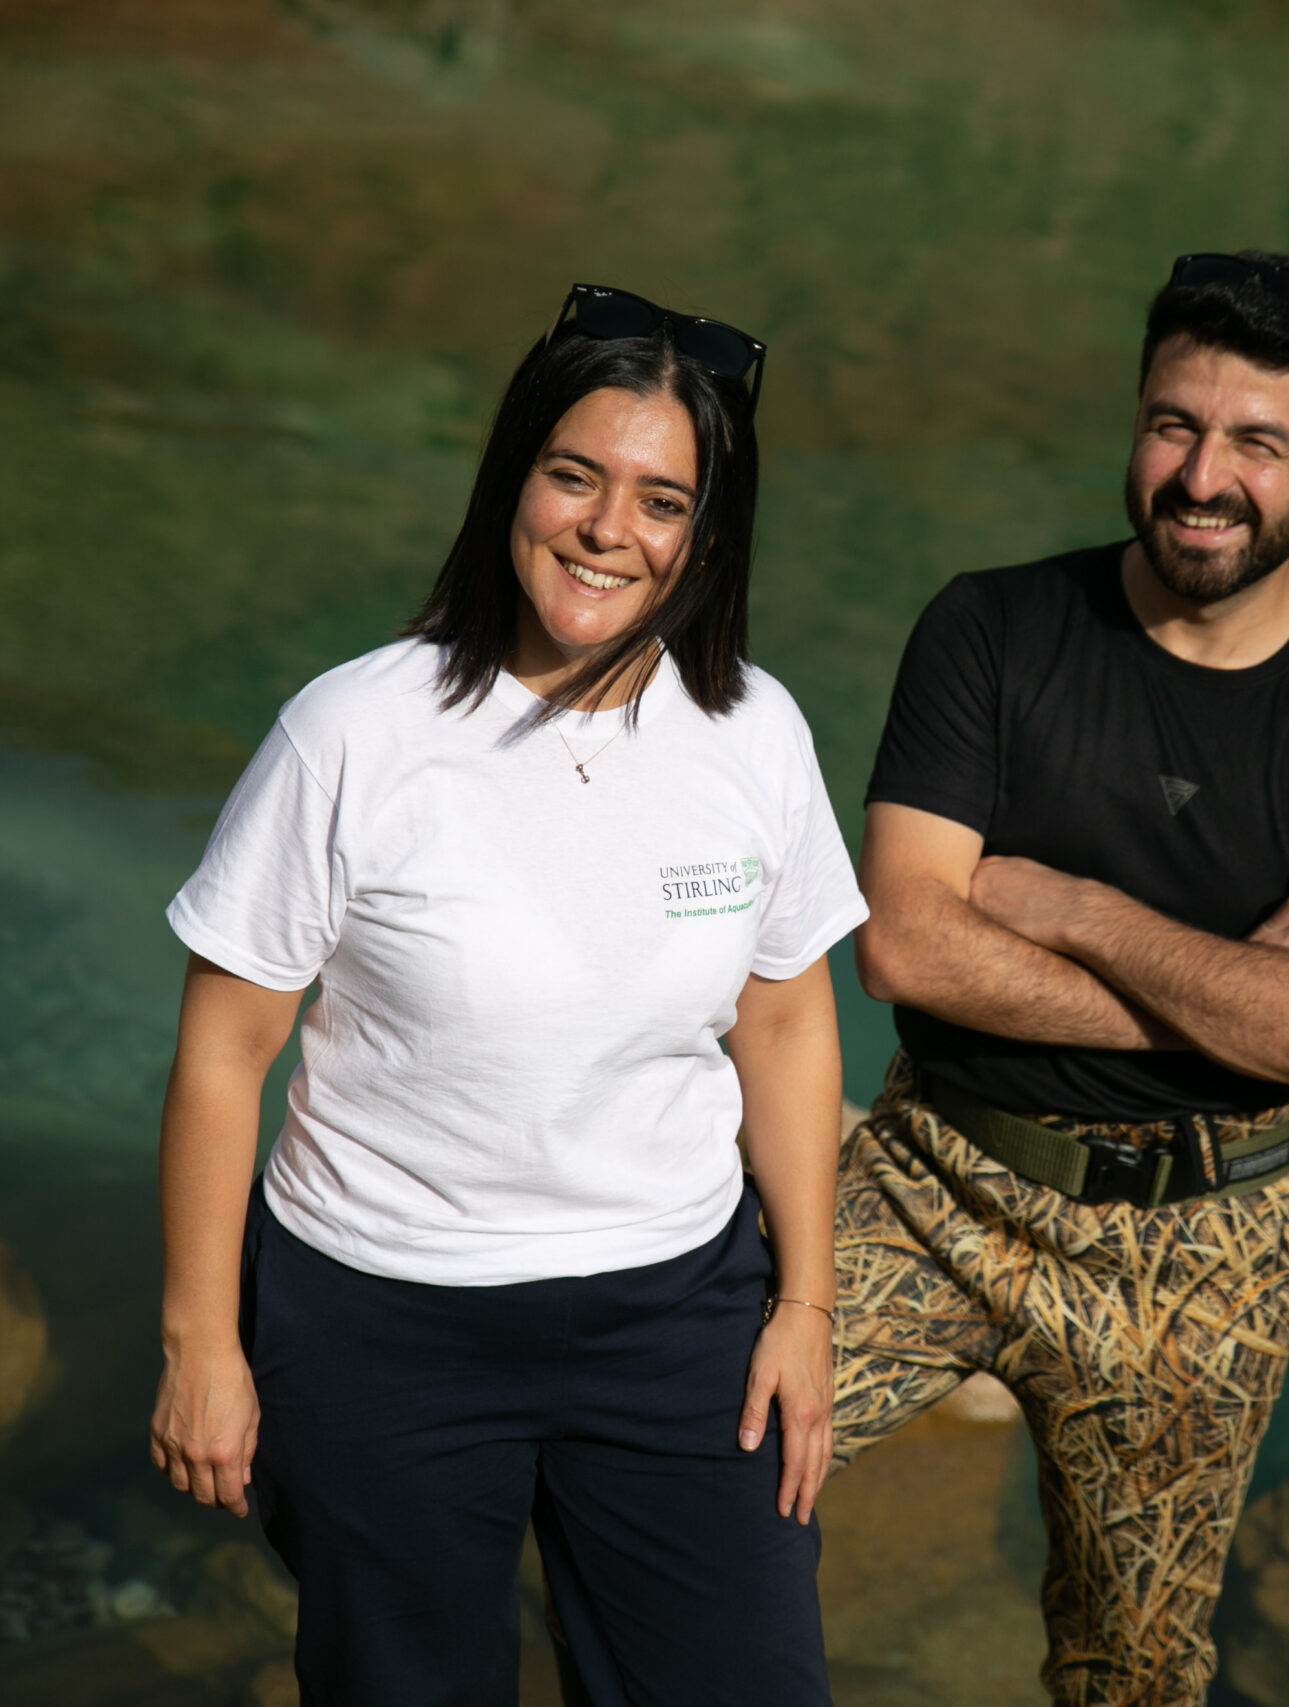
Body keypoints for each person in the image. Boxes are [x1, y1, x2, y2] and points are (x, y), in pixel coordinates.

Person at [147, 284, 867, 1707]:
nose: (609, 529)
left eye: (663, 500)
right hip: (381, 1324)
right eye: (575, 476)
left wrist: (805, 1307)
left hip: (676, 1322)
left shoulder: (754, 734)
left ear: (707, 537)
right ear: (512, 480)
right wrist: (201, 1343)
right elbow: (228, 1050)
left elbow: (783, 1021)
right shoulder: (354, 732)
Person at [832, 250, 1289, 1705]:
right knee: (683, 1463)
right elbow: (905, 944)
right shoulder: (989, 629)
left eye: (1258, 443)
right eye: (1176, 424)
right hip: (933, 1176)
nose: (1204, 476)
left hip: (1209, 1245)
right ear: (1135, 420)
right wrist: (1237, 995)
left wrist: (1080, 910)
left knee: (1134, 1671)